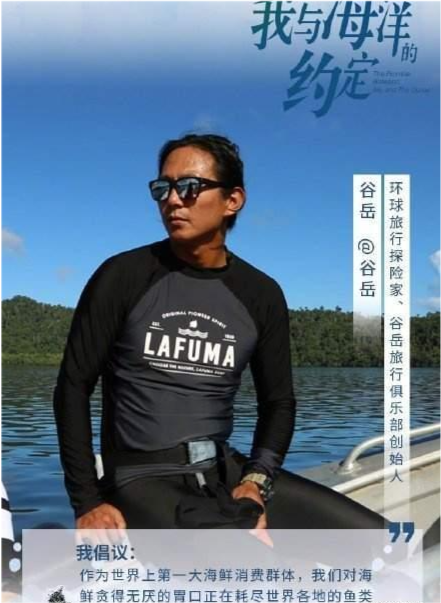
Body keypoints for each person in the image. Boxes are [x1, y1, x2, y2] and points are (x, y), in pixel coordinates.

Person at [54, 133, 386, 531]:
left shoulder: (260, 293)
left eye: (189, 187)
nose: (172, 200)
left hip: (225, 469)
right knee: (245, 559)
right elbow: (72, 387)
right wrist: (86, 501)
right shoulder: (123, 276)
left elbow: (278, 402)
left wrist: (256, 480)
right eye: (163, 188)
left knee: (386, 544)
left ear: (233, 200)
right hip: (139, 478)